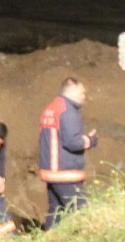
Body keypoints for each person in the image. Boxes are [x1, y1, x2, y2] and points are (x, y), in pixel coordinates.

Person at [37, 77, 97, 230]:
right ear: (73, 92)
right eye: (83, 93)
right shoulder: (68, 111)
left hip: (51, 171)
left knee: (55, 213)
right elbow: (72, 142)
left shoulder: (51, 108)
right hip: (64, 173)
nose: (85, 97)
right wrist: (90, 140)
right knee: (81, 212)